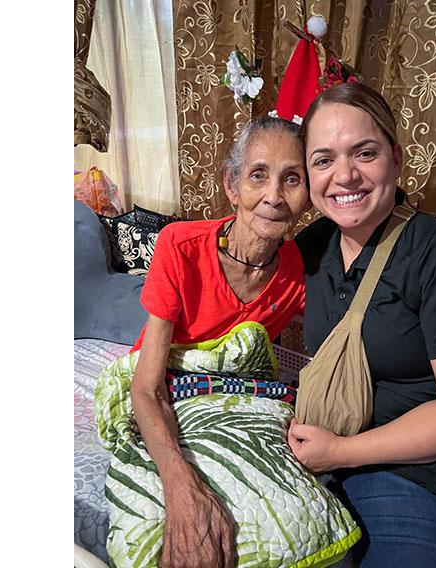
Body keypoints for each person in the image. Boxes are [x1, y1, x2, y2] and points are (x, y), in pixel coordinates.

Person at [288, 82, 436, 568]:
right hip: (389, 475)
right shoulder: (309, 250)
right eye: (323, 160)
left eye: (364, 153)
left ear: (396, 159)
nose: (344, 176)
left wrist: (339, 452)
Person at [128, 115, 310, 568]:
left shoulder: (298, 271)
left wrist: (430, 239)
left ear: (309, 195)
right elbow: (145, 387)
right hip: (163, 392)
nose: (273, 196)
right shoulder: (179, 245)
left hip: (229, 397)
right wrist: (181, 487)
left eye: (292, 179)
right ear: (232, 184)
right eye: (258, 175)